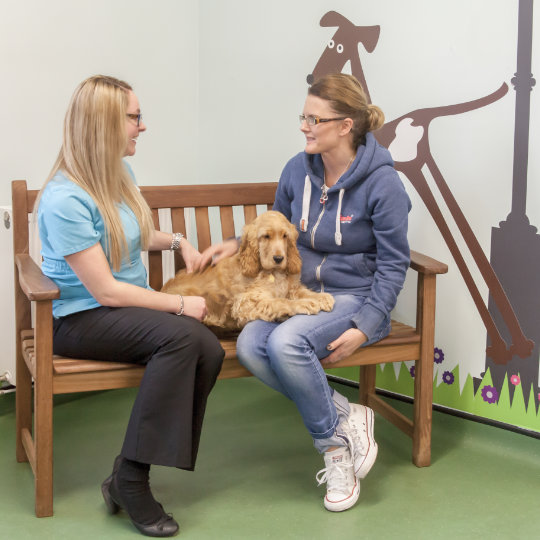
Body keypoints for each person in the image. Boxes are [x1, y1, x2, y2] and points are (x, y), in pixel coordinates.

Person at [198, 73, 411, 512]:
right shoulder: (298, 168)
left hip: (353, 297)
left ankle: (334, 452)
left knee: (287, 341)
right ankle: (346, 417)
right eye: (304, 116)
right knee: (253, 344)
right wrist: (239, 247)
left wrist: (365, 326)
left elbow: (394, 263)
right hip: (296, 290)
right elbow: (276, 225)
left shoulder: (383, 184)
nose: (304, 126)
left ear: (345, 126)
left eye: (314, 118)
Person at [37, 75, 224, 537]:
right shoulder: (64, 198)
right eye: (135, 117)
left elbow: (134, 234)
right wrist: (181, 303)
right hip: (80, 318)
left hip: (124, 312)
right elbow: (106, 292)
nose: (143, 126)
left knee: (211, 349)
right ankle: (134, 481)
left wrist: (178, 240)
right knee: (184, 338)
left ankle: (126, 471)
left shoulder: (119, 175)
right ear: (105, 123)